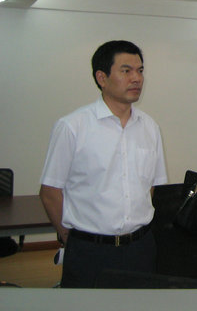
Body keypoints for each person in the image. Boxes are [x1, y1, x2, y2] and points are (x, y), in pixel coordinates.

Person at [39, 40, 167, 288]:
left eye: (140, 71)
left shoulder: (150, 127)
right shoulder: (73, 126)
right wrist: (70, 238)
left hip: (140, 248)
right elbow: (50, 192)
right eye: (126, 70)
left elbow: (151, 187)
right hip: (90, 250)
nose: (136, 78)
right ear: (102, 78)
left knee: (138, 305)